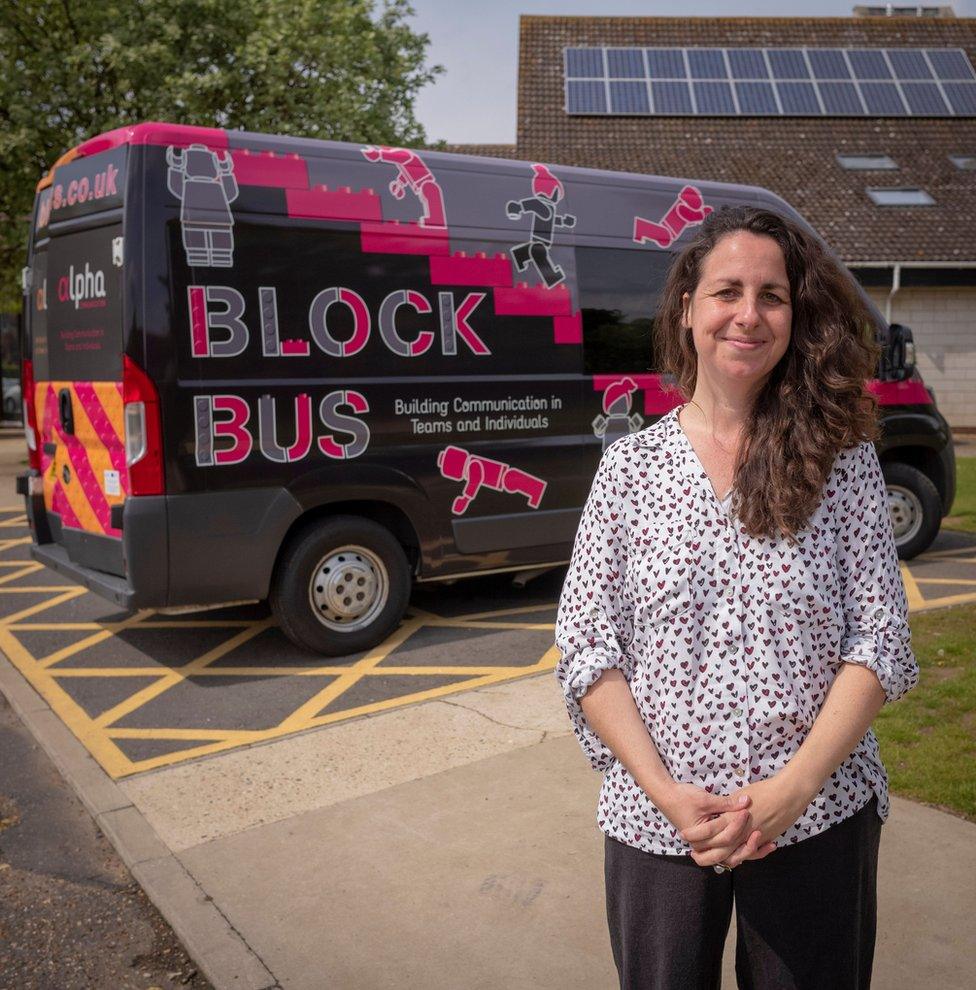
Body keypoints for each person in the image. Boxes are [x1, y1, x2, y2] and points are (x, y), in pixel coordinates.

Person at [554, 206, 918, 990]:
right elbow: (587, 651)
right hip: (660, 827)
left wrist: (793, 789)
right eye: (727, 291)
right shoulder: (630, 471)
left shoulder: (842, 462)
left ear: (796, 317)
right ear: (688, 310)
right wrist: (665, 794)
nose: (748, 314)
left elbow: (880, 640)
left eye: (772, 295)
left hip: (815, 817)